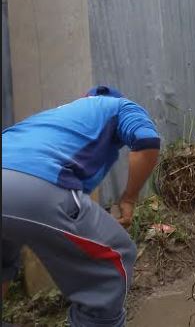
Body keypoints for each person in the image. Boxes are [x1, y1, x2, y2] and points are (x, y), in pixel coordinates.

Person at [2, 86, 161, 327]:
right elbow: (146, 140)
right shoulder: (119, 106)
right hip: (34, 185)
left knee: (4, 259)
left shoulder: (48, 119)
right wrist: (129, 198)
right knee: (114, 258)